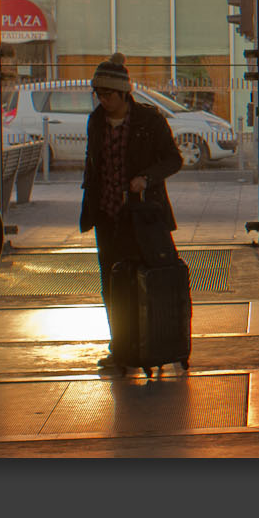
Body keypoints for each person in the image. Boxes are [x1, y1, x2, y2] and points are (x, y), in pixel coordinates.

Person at [76, 53, 183, 369]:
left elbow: (174, 160)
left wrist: (146, 179)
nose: (103, 100)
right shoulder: (96, 121)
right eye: (99, 94)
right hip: (108, 216)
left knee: (146, 279)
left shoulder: (150, 121)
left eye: (108, 94)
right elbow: (93, 164)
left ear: (124, 93)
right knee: (112, 282)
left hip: (143, 217)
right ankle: (120, 348)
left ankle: (152, 344)